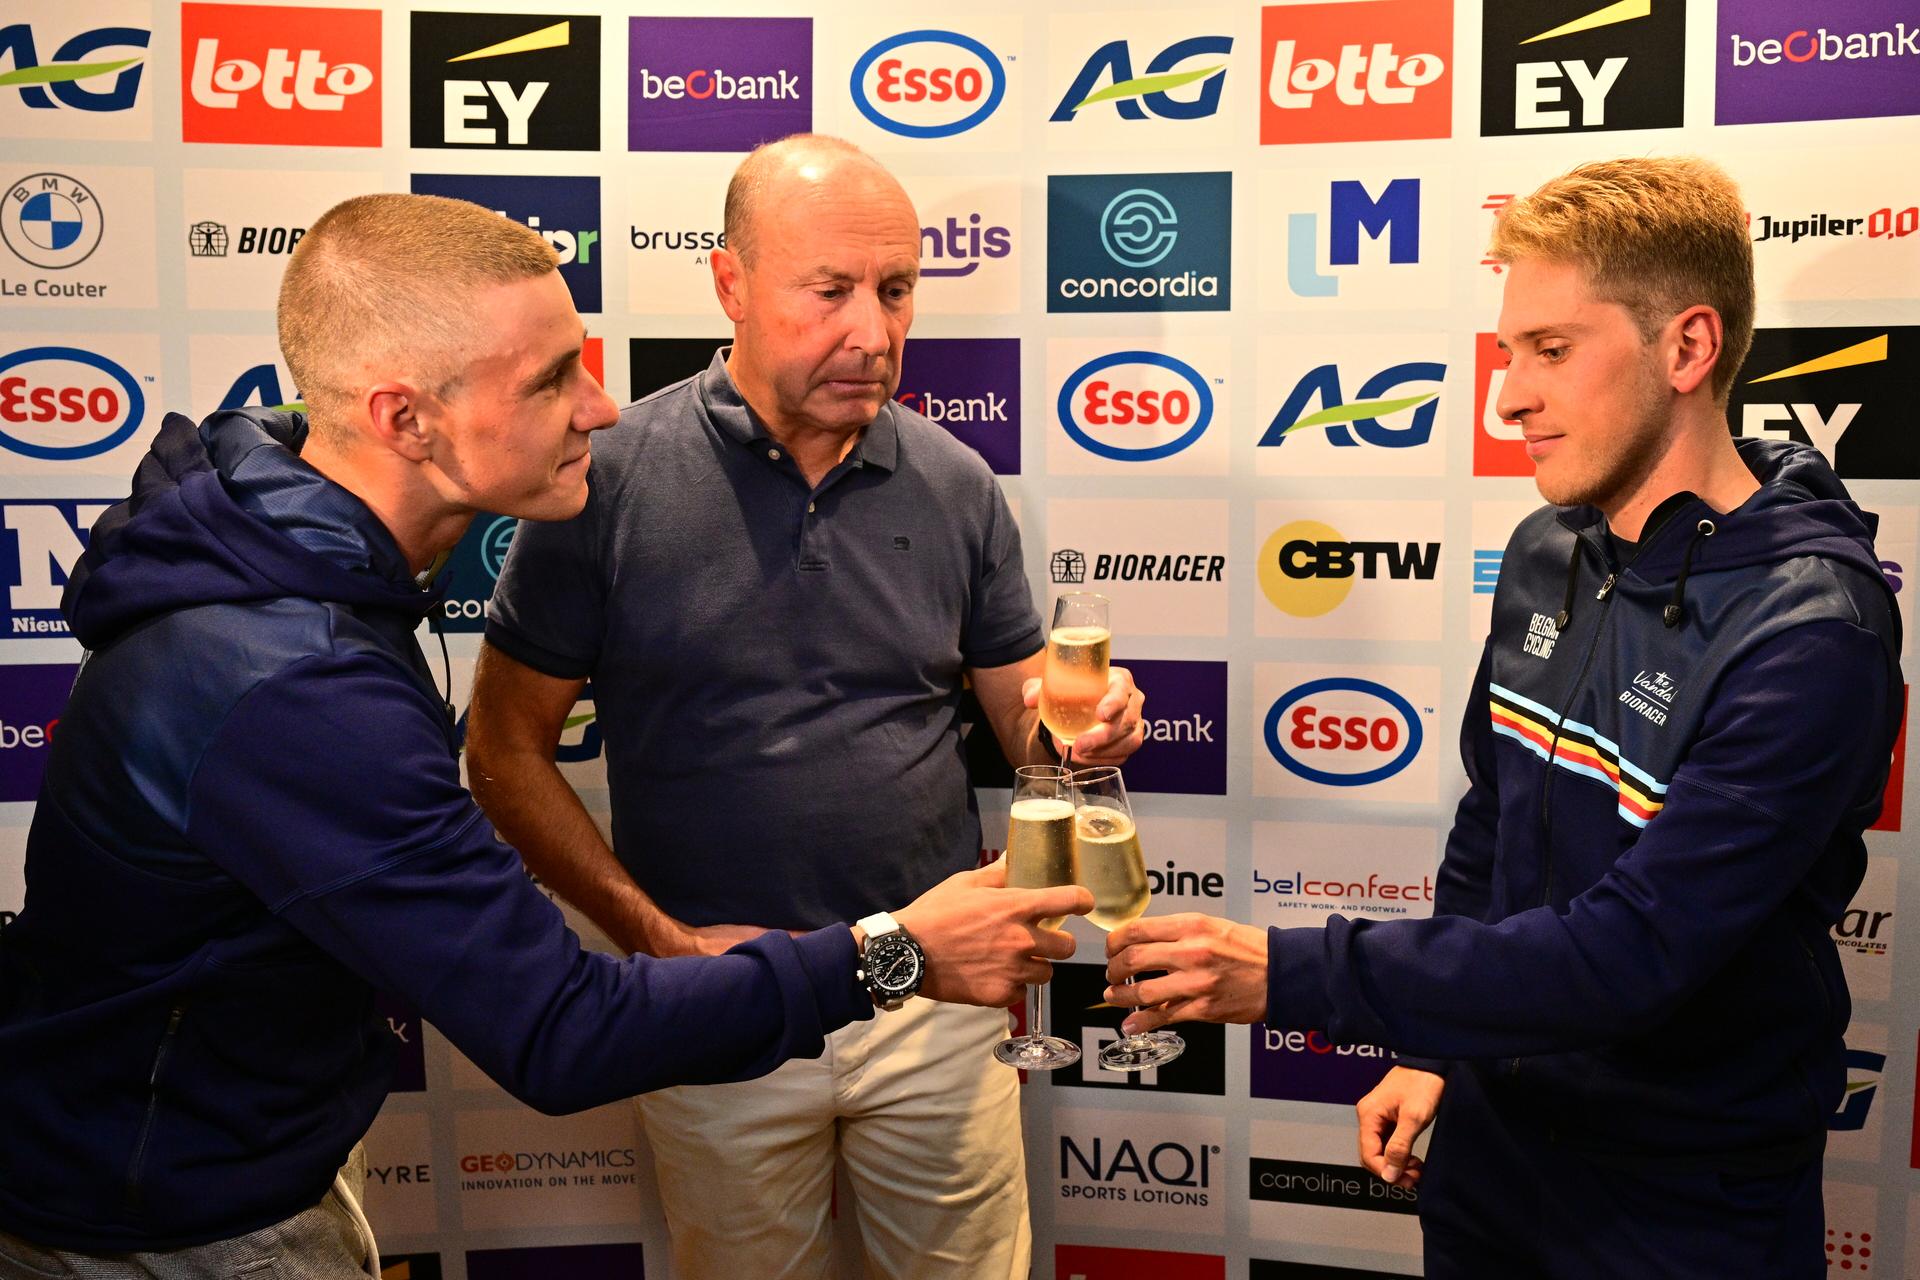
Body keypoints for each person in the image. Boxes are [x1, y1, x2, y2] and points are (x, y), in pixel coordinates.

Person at [0, 193, 1092, 1276]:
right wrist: (896, 949)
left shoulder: (306, 578)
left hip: (227, 1160)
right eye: (552, 379)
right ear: (405, 419)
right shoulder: (291, 676)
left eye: (895, 290)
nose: (601, 409)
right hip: (172, 1217)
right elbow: (561, 1029)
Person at [1103, 157, 1901, 1278]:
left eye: (1552, 350)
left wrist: (1292, 972)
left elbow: (1633, 952)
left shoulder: (1813, 630)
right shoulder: (1546, 548)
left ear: (1688, 347)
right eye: (1507, 353)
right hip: (1489, 1157)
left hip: (1682, 1203)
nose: (1508, 398)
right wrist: (1433, 1045)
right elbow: (1494, 822)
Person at [465, 134, 1146, 1280]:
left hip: (937, 996)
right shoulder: (607, 477)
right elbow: (501, 750)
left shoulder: (957, 483)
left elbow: (1031, 732)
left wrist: (1085, 729)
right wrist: (657, 941)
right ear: (730, 284)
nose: (872, 332)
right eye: (830, 291)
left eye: (895, 289)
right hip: (720, 1000)